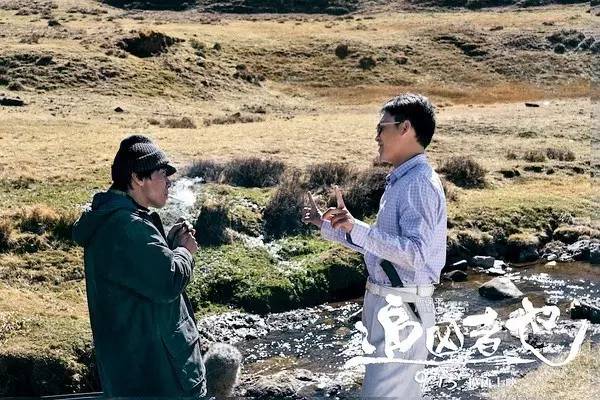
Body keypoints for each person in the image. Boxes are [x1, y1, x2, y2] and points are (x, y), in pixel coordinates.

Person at [303, 93, 447, 398]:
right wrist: (326, 225)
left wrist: (357, 227)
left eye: (382, 127)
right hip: (393, 305)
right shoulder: (403, 180)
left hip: (402, 309)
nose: (377, 136)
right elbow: (383, 251)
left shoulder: (418, 183)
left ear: (405, 128)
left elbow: (415, 254)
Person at [72, 135, 206, 398]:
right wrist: (184, 251)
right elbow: (167, 282)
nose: (169, 181)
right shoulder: (129, 226)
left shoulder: (117, 221)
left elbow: (143, 273)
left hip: (136, 374)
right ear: (137, 178)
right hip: (159, 379)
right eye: (162, 174)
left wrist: (169, 247)